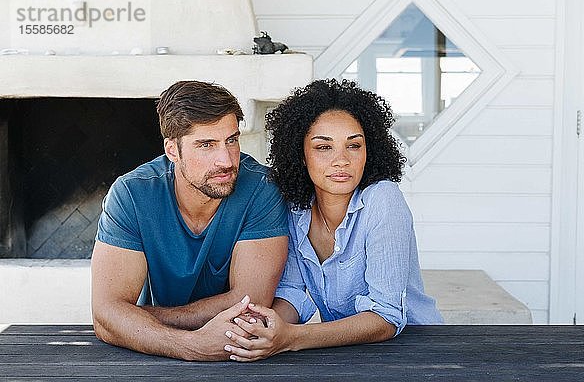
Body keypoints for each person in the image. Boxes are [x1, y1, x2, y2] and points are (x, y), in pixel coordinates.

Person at [223, 79, 443, 362]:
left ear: (369, 150)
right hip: (348, 353)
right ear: (300, 154)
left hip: (416, 351)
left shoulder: (383, 200)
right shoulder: (295, 209)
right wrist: (263, 328)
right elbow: (292, 292)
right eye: (323, 148)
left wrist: (291, 338)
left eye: (354, 146)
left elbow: (386, 316)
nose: (341, 160)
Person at [91, 80, 289, 361]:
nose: (226, 160)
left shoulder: (261, 189)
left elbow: (250, 302)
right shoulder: (133, 194)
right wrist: (193, 345)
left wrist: (136, 317)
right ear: (172, 150)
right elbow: (105, 316)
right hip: (163, 357)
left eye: (231, 140)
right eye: (206, 144)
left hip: (239, 354)